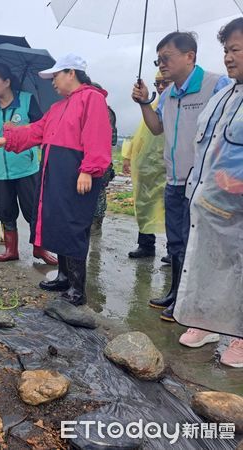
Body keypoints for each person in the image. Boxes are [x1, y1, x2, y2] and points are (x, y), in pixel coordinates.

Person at [0, 54, 112, 306]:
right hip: (54, 171)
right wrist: (8, 139)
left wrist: (88, 169)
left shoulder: (92, 99)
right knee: (58, 222)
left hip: (76, 171)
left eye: (55, 76)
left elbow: (97, 136)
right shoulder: (58, 107)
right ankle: (64, 276)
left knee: (74, 225)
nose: (53, 82)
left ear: (71, 73)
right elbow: (36, 131)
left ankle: (78, 287)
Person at [132, 31, 231, 321]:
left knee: (198, 244)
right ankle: (176, 293)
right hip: (174, 180)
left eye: (167, 58)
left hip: (205, 182)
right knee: (176, 242)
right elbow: (156, 128)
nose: (161, 64)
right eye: (158, 59)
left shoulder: (217, 85)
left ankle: (195, 304)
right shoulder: (169, 93)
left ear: (190, 56)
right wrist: (143, 103)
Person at [173, 18, 243, 367]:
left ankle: (241, 336)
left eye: (236, 50)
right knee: (207, 264)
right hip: (210, 204)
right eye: (226, 50)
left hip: (239, 208)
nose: (228, 58)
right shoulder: (225, 96)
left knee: (239, 269)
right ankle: (208, 324)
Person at [0, 63, 57, 264]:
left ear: (7, 82)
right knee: (5, 210)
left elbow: (42, 127)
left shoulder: (26, 100)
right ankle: (10, 249)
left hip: (25, 167)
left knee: (33, 209)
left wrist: (20, 128)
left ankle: (39, 249)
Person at [123, 72, 171, 259]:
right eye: (157, 83)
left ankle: (172, 250)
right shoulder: (151, 107)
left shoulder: (178, 104)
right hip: (147, 167)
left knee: (171, 208)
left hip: (168, 166)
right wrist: (127, 157)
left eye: (164, 83)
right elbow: (139, 134)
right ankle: (146, 245)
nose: (160, 87)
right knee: (144, 204)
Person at [91, 103, 117, 229]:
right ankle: (96, 225)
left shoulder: (103, 112)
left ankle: (94, 226)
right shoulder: (109, 112)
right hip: (103, 163)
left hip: (97, 162)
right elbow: (113, 140)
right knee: (99, 193)